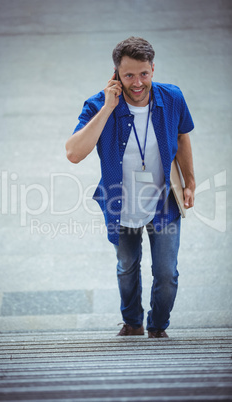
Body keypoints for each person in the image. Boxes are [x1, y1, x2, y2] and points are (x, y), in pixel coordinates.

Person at [66, 37, 195, 338]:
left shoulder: (172, 97)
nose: (137, 83)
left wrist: (190, 182)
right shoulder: (99, 105)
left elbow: (183, 135)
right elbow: (73, 153)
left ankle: (158, 327)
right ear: (116, 74)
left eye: (144, 74)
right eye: (128, 75)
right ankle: (133, 322)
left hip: (163, 202)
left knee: (167, 274)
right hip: (120, 205)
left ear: (153, 68)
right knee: (127, 268)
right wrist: (109, 107)